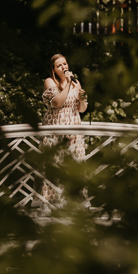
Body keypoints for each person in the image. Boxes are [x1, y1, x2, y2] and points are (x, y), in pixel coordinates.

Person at [39, 54, 88, 204]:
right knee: (56, 167)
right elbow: (57, 103)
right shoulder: (49, 82)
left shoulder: (76, 83)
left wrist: (82, 98)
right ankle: (53, 204)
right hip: (56, 129)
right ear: (53, 69)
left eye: (65, 64)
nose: (64, 67)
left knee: (76, 165)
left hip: (74, 129)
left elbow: (81, 109)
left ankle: (75, 203)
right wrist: (67, 83)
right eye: (59, 65)